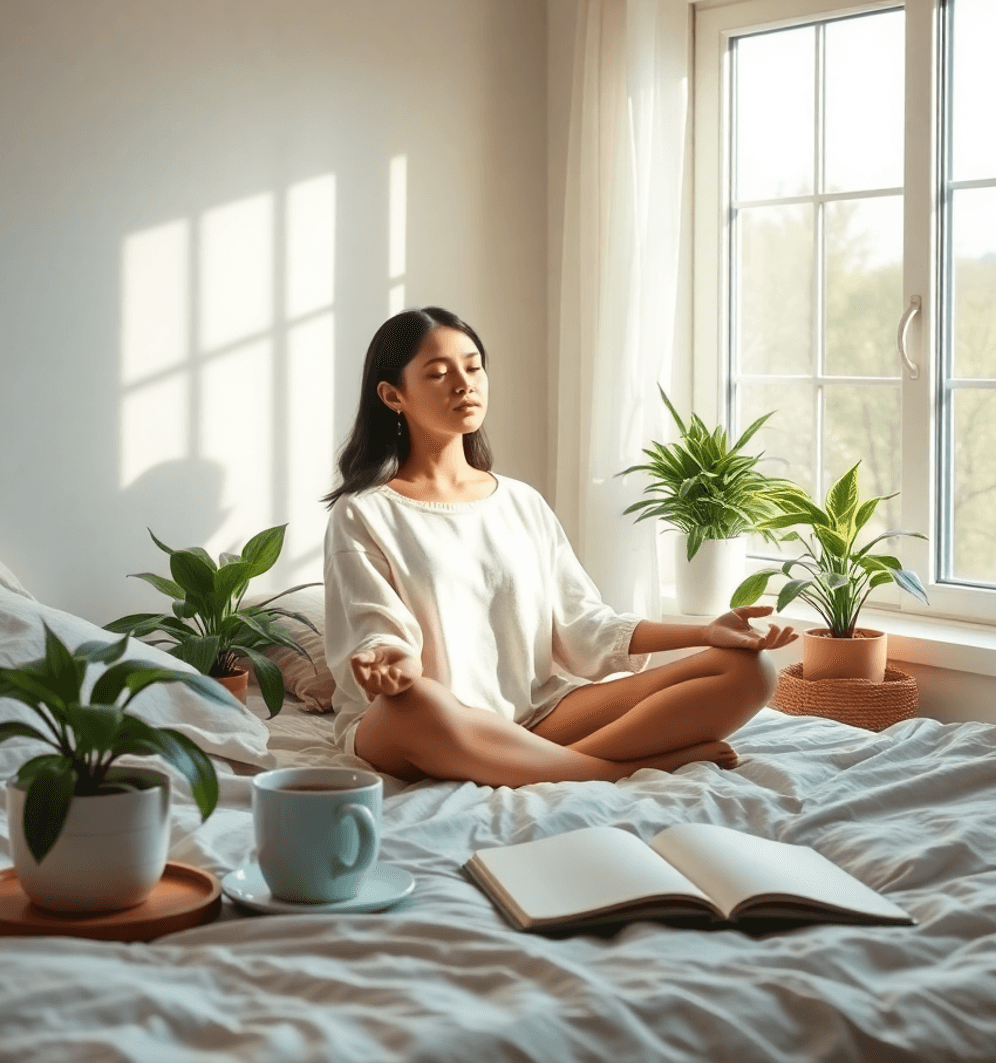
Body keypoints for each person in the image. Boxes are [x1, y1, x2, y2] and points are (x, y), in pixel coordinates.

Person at [322, 306, 797, 788]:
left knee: (748, 671)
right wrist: (393, 664)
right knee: (417, 702)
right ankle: (619, 768)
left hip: (536, 716)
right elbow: (376, 633)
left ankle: (536, 762)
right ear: (392, 395)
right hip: (421, 725)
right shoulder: (364, 512)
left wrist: (705, 634)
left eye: (473, 366)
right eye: (439, 373)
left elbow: (586, 627)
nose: (464, 383)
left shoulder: (520, 502)